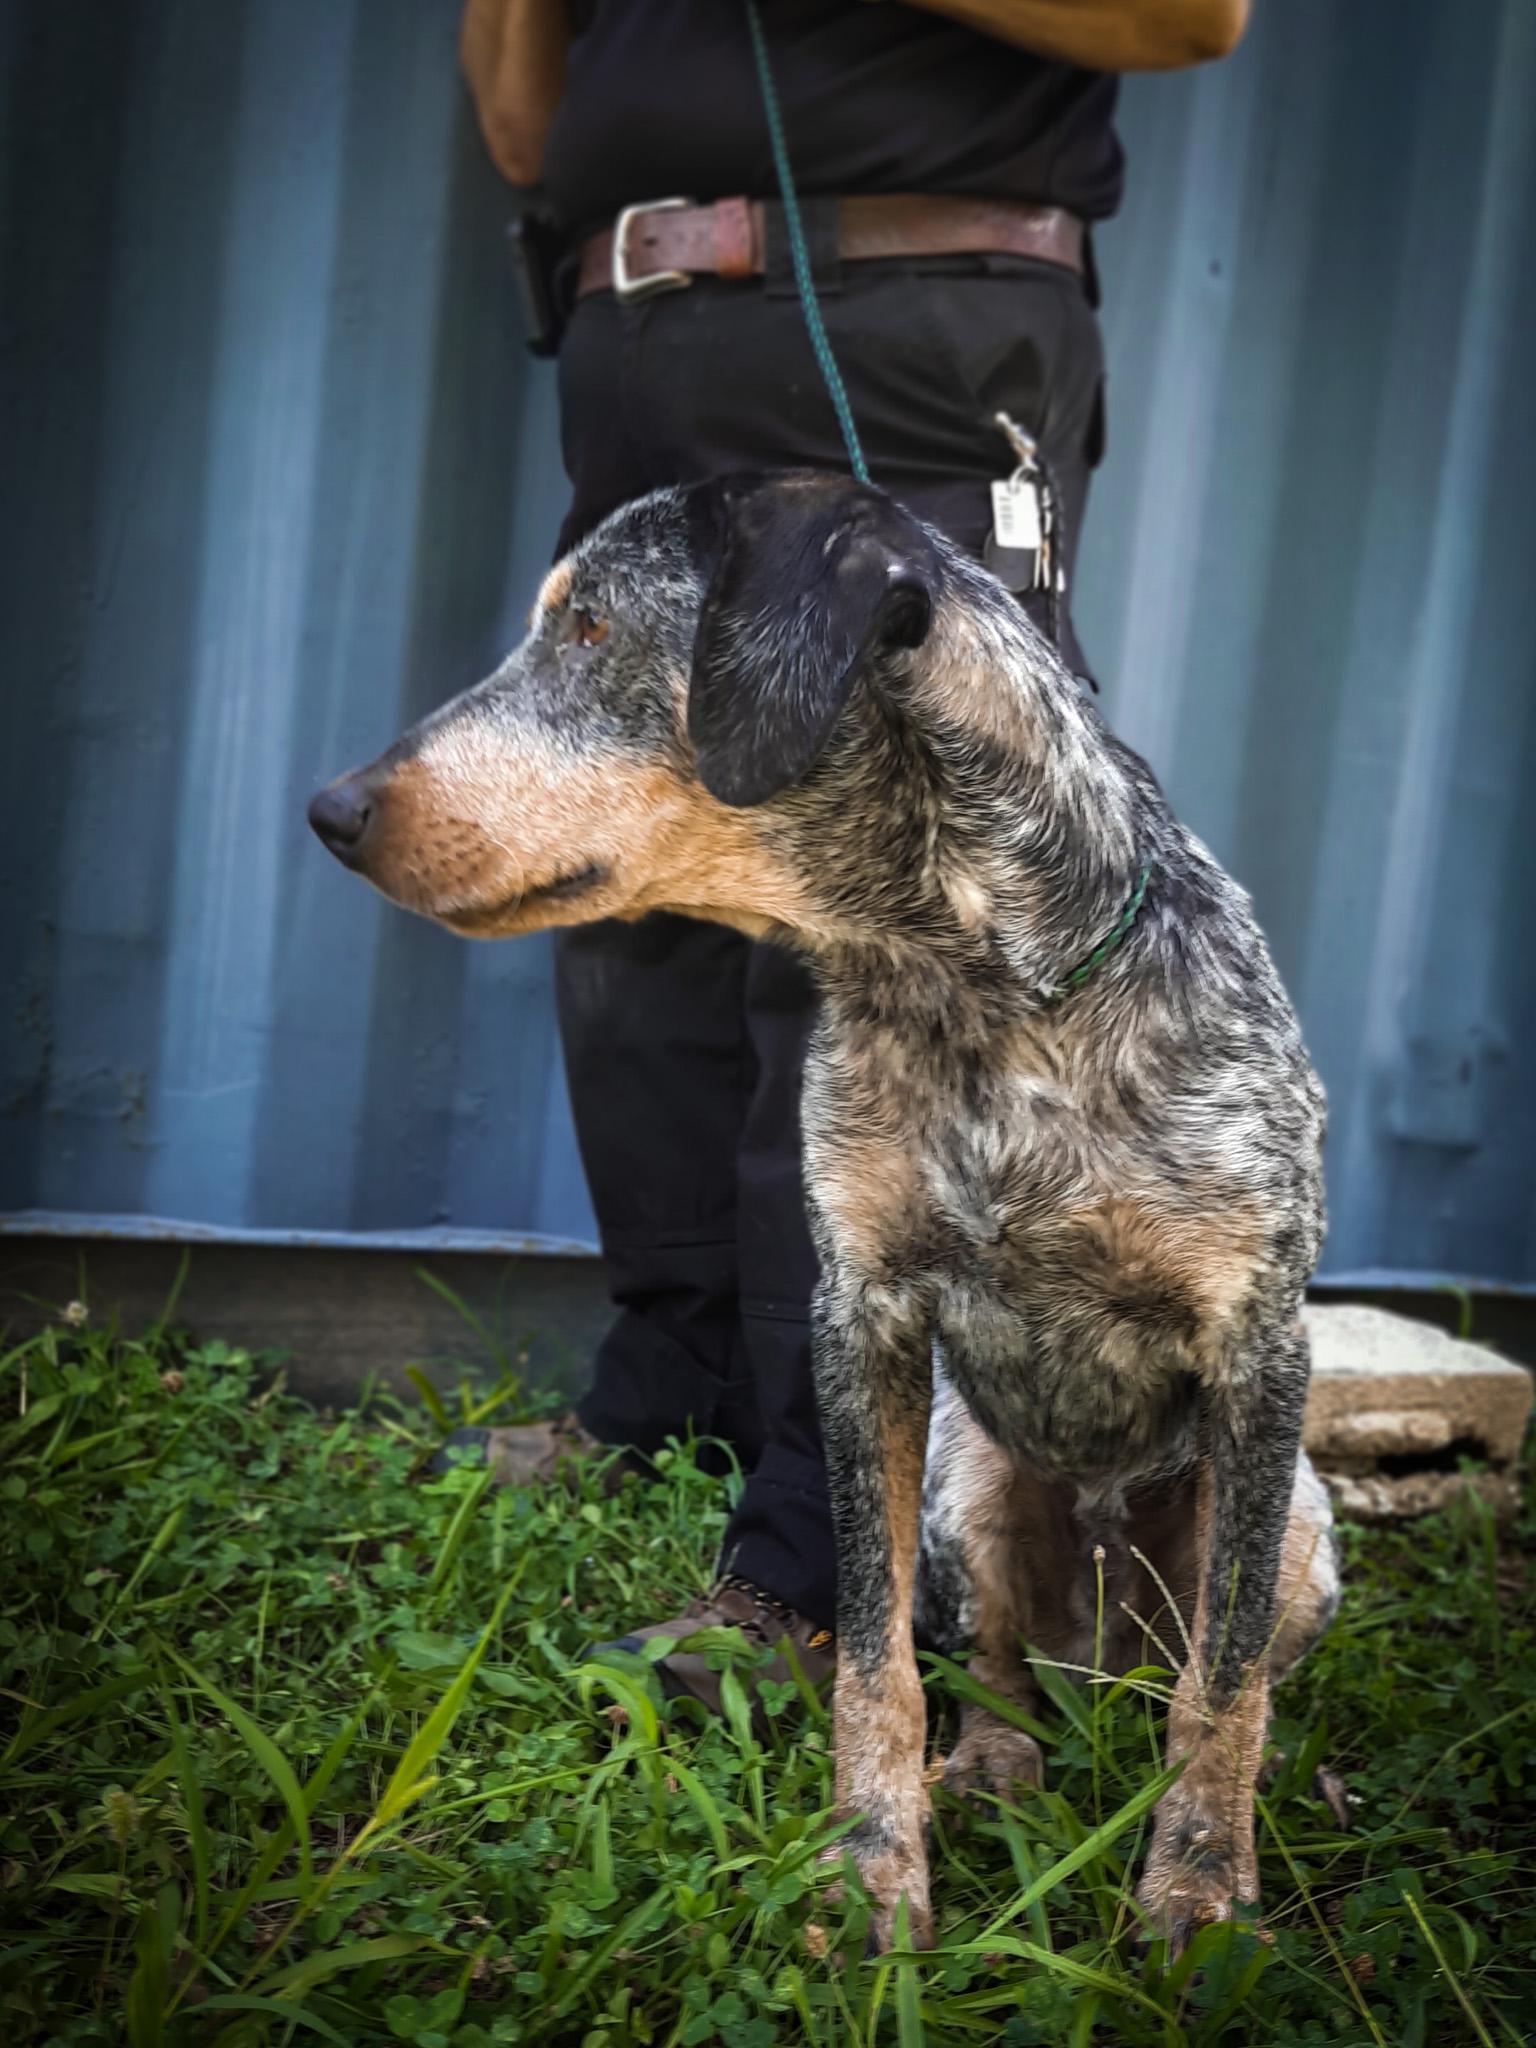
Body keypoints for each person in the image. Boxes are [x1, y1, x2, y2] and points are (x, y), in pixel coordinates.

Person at [451, 0, 1249, 1711]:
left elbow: (1196, 18)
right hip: (631, 333)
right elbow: (529, 136)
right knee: (633, 878)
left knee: (871, 925)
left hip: (906, 339)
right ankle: (672, 1385)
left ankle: (819, 1554)